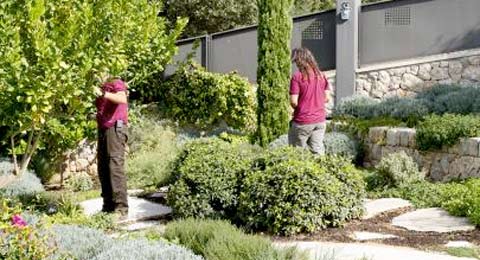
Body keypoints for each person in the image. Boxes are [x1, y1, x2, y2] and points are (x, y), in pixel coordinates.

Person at [95, 75, 129, 217]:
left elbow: (122, 98)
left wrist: (103, 93)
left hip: (115, 127)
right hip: (103, 128)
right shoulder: (98, 87)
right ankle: (108, 207)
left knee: (114, 166)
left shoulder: (115, 82)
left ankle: (121, 209)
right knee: (103, 167)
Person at [288, 48, 330, 155]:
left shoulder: (297, 77)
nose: (296, 64)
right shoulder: (322, 75)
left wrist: (300, 107)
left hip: (303, 121)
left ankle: (299, 172)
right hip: (320, 121)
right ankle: (321, 171)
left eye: (296, 61)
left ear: (301, 61)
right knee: (318, 151)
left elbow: (294, 101)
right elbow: (327, 98)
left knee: (296, 153)